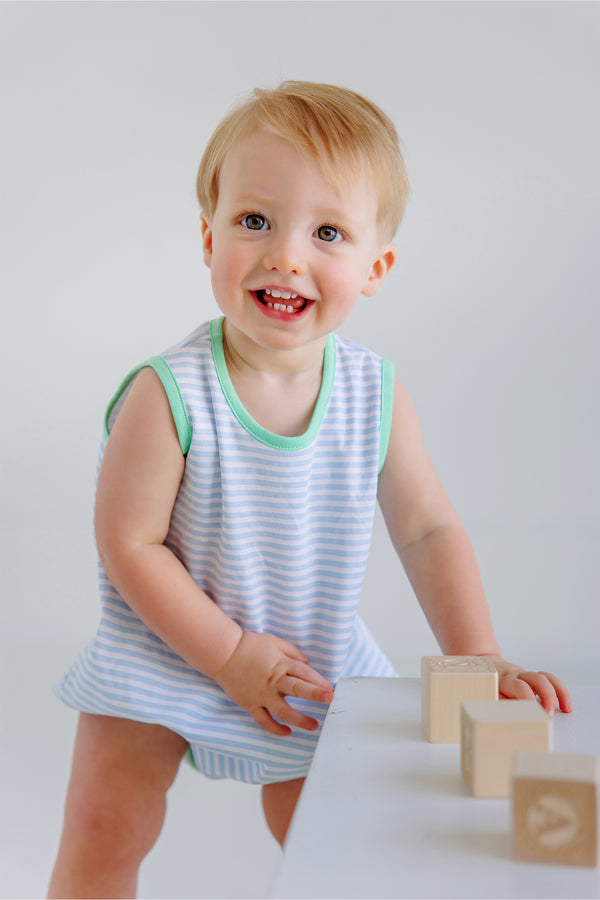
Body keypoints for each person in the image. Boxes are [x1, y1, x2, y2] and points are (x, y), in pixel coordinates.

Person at [48, 81, 572, 898]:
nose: (286, 256)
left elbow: (427, 529)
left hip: (306, 662)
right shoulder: (168, 393)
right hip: (165, 648)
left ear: (376, 268)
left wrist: (477, 654)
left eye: (327, 233)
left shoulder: (374, 394)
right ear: (208, 236)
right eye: (255, 221)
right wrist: (227, 654)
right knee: (105, 832)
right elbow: (128, 543)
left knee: (338, 842)